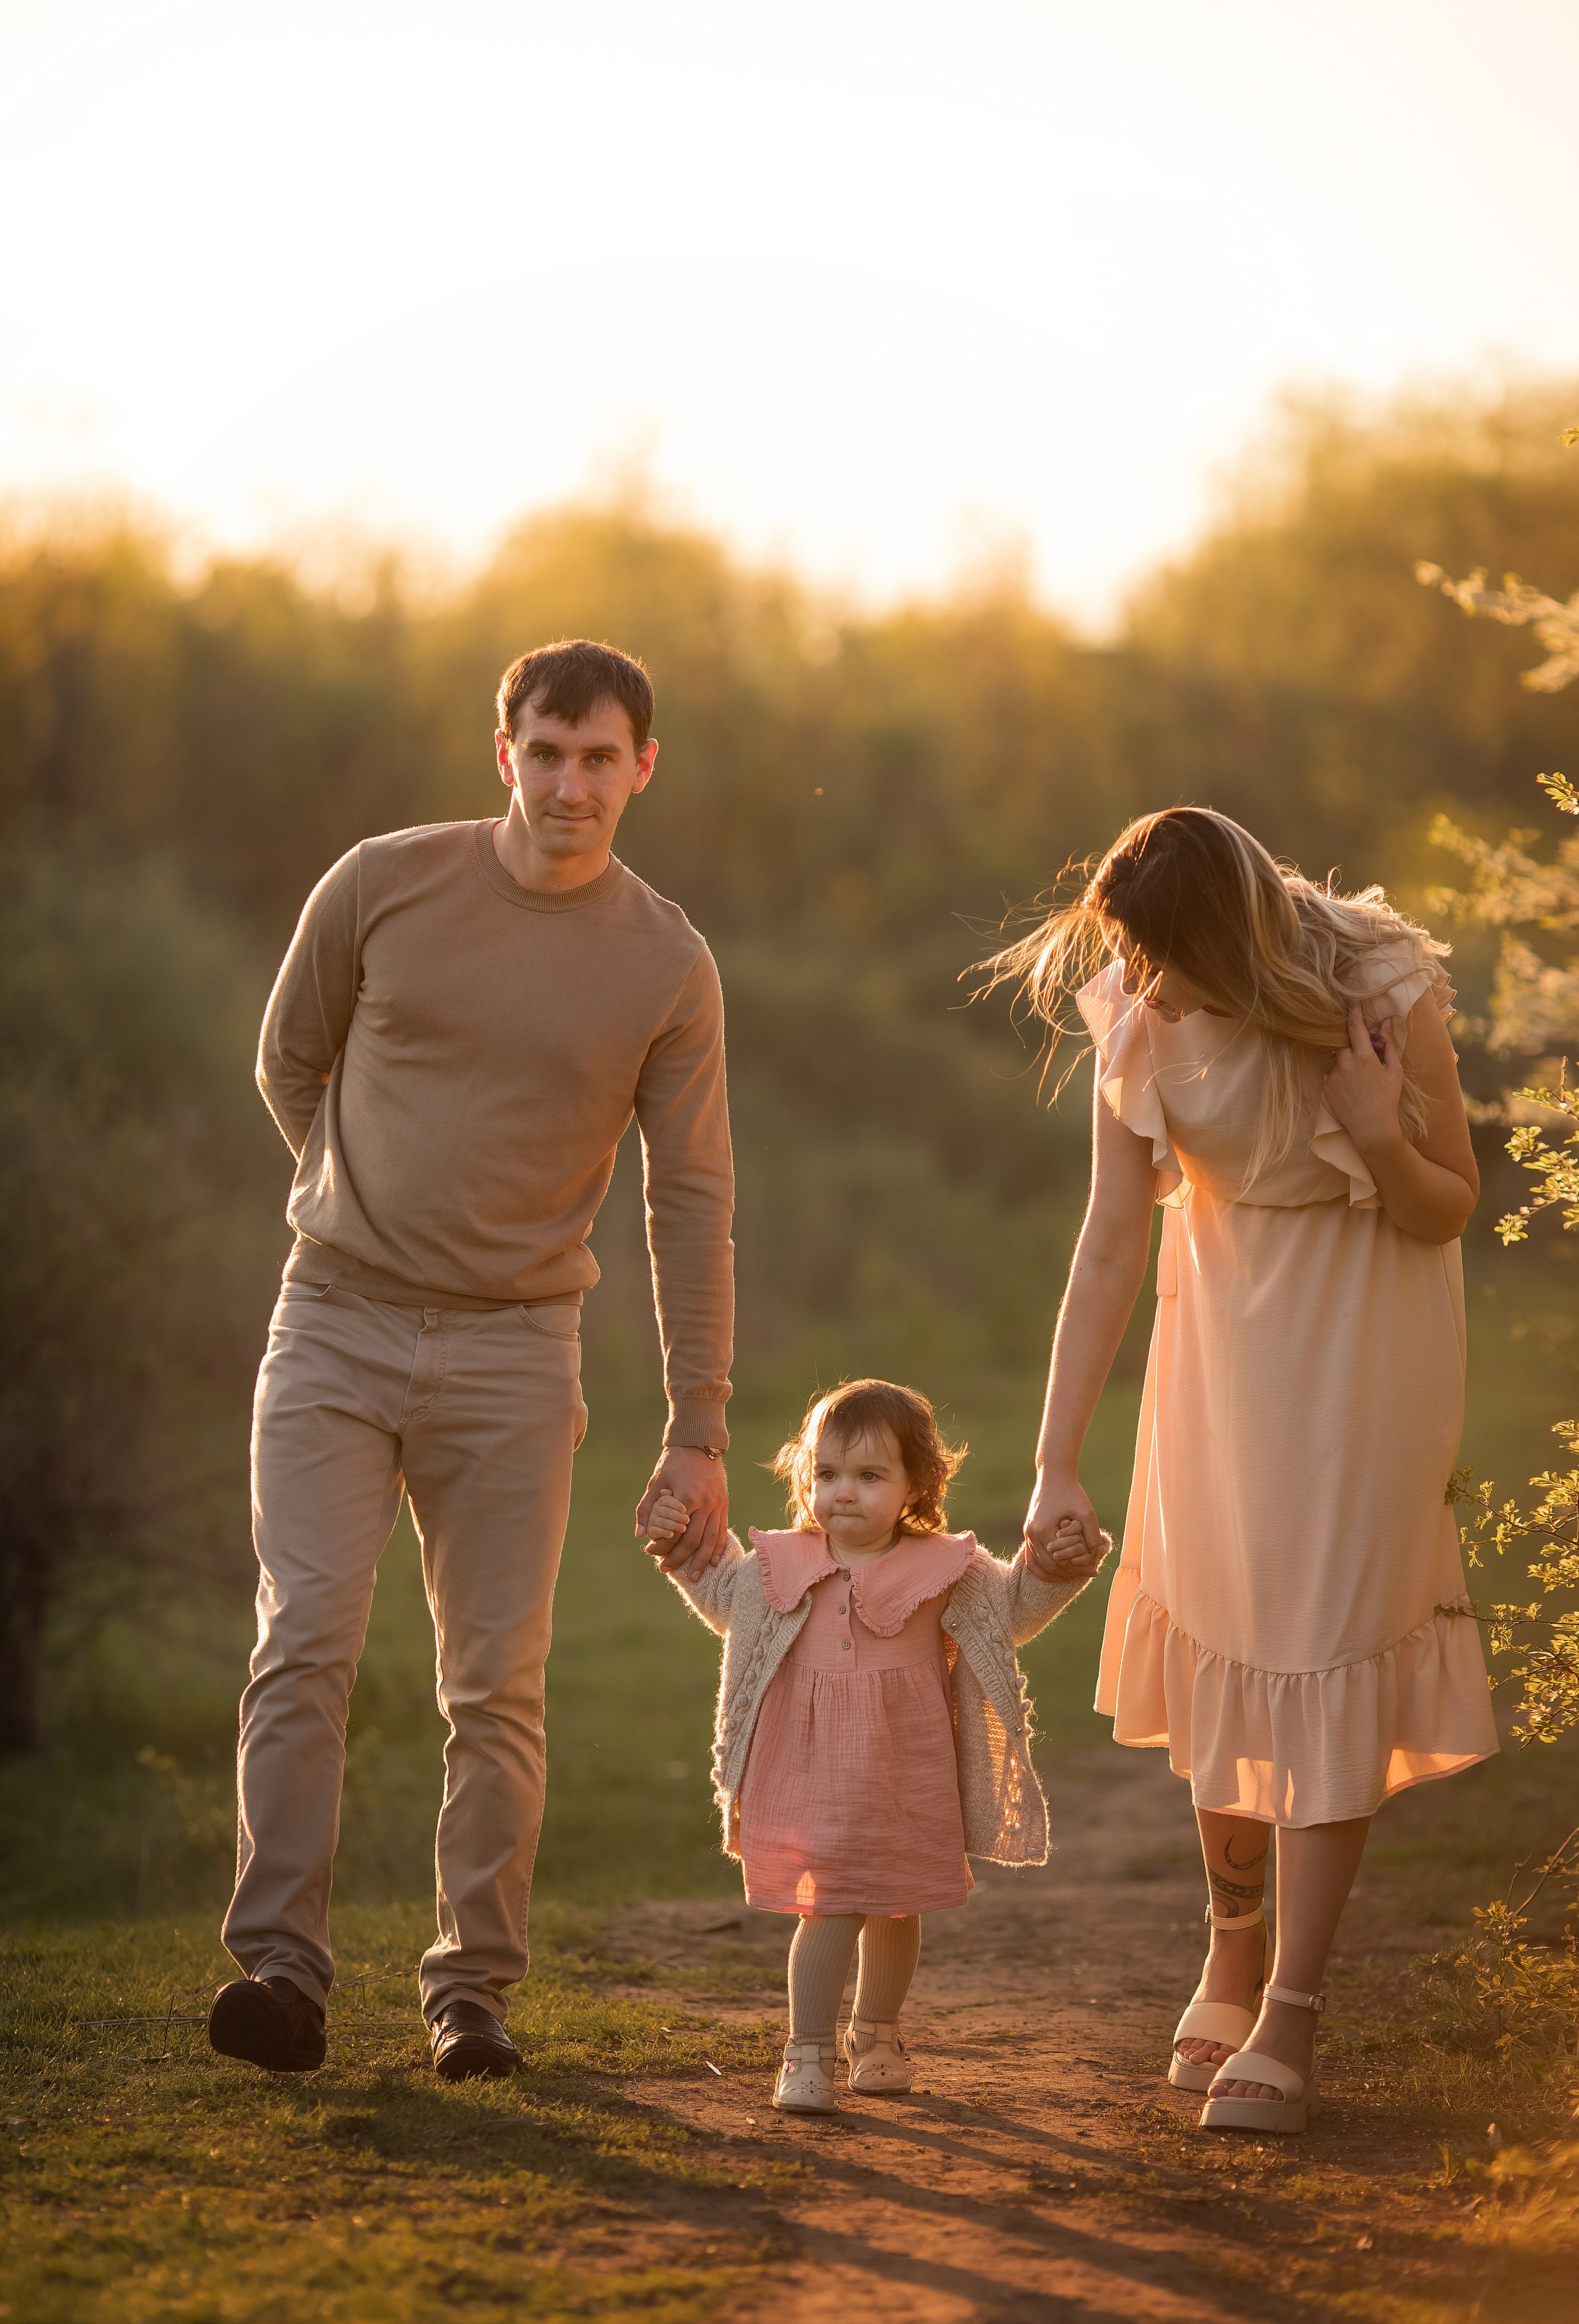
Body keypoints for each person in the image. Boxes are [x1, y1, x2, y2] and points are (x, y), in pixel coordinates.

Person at [208, 639, 735, 2082]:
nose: (571, 784)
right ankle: (280, 1972)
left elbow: (687, 1200)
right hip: (331, 1319)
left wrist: (698, 1424)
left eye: (599, 757)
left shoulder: (667, 963)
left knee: (493, 1681)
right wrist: (358, 1206)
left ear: (641, 767)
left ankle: (470, 1991)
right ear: (502, 752)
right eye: (544, 752)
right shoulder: (380, 882)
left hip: (517, 1349)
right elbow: (287, 1064)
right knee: (303, 1638)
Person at [993, 806, 1496, 2135]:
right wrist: (1053, 1462)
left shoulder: (1378, 979)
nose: (1145, 985)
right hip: (1214, 1341)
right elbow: (1108, 1241)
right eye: (1132, 957)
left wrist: (1378, 1131)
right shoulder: (1139, 1010)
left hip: (1364, 1349)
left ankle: (1291, 2011)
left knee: (1320, 1639)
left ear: (1232, 939)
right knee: (1220, 1630)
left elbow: (1450, 1199)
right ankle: (1226, 1945)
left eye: (1167, 958)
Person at [643, 1378, 1105, 2114]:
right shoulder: (777, 1563)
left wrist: (1057, 1564)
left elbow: (1011, 1613)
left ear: (915, 1486)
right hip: (809, 1769)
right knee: (828, 1902)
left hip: (907, 1768)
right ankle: (807, 2050)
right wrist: (679, 1539)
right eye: (826, 1474)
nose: (843, 1493)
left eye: (868, 1475)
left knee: (896, 1902)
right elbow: (718, 1593)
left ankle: (878, 2033)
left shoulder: (948, 1565)